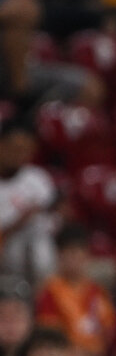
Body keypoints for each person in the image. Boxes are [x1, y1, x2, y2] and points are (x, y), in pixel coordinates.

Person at [35, 223, 116, 356]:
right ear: (59, 256)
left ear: (87, 256)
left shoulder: (98, 291)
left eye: (79, 253)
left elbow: (109, 330)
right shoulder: (50, 291)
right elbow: (50, 335)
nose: (74, 259)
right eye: (69, 253)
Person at [0, 118, 57, 285]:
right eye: (14, 149)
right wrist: (18, 222)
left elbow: (54, 218)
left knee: (39, 243)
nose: (19, 155)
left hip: (36, 247)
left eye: (25, 150)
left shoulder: (38, 179)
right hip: (6, 249)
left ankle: (43, 298)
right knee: (16, 247)